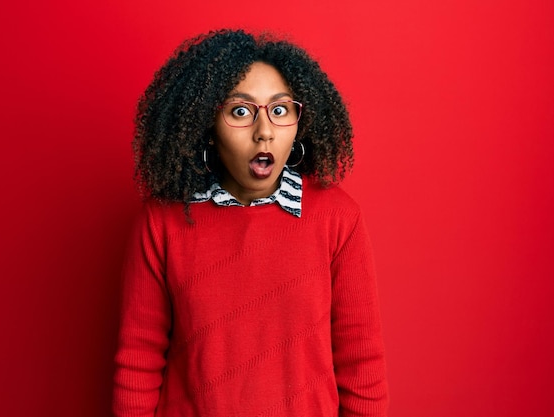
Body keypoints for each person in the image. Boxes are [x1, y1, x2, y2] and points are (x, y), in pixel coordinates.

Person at [113, 29, 388, 417]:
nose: (265, 131)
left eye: (280, 110)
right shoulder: (162, 222)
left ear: (299, 122)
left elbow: (362, 367)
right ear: (207, 123)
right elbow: (138, 362)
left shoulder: (338, 218)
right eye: (240, 111)